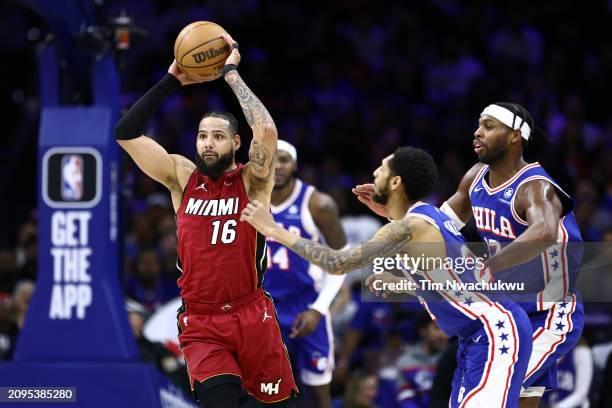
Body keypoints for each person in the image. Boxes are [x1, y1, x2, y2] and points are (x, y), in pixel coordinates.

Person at [241, 146, 533, 407]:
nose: (375, 172)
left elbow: (337, 262)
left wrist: (275, 230)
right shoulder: (427, 216)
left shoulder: (407, 228)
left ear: (395, 182)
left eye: (381, 168)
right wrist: (400, 280)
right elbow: (452, 284)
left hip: (493, 330)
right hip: (480, 332)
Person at [353, 102, 585, 408]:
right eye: (479, 124)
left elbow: (544, 232)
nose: (477, 132)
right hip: (506, 307)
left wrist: (487, 267)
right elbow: (436, 229)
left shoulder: (536, 187)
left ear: (515, 136)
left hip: (550, 311)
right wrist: (395, 214)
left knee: (499, 389)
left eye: (489, 126)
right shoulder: (475, 177)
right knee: (515, 396)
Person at [114, 33, 297, 407]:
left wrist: (231, 75)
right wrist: (171, 81)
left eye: (218, 136)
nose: (208, 143)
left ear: (234, 144)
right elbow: (126, 134)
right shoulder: (181, 177)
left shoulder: (253, 180)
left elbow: (266, 132)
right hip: (201, 323)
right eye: (202, 136)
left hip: (251, 314)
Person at [265, 140, 347, 408]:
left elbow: (341, 261)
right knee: (261, 389)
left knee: (319, 391)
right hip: (263, 307)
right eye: (271, 159)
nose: (277, 165)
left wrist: (318, 310)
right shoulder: (247, 200)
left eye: (284, 159)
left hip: (305, 303)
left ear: (296, 165)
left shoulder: (318, 204)